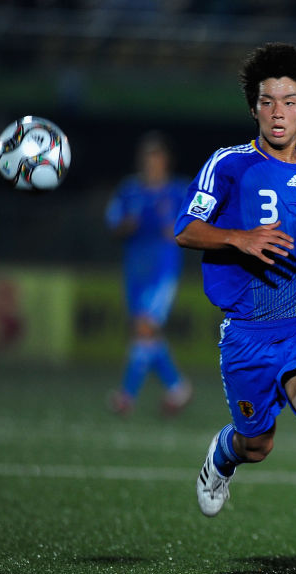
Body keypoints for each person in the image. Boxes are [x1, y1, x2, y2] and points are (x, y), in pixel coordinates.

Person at [174, 43, 296, 574]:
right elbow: (186, 228)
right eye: (268, 101)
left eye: (289, 102)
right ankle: (224, 454)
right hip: (248, 334)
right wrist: (240, 238)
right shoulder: (229, 164)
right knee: (258, 444)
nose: (278, 112)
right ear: (254, 108)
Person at [105, 131, 192, 417]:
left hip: (162, 269)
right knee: (143, 331)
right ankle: (177, 387)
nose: (151, 162)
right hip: (135, 268)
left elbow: (196, 223)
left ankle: (126, 396)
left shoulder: (178, 191)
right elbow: (113, 223)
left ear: (166, 160)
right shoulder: (129, 190)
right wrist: (126, 225)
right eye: (147, 156)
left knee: (145, 327)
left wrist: (179, 230)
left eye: (156, 156)